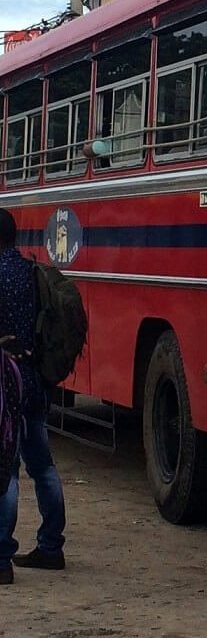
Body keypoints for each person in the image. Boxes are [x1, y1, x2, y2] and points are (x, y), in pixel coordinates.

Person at [0, 207, 65, 584]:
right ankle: (51, 546)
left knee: (6, 472)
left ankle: (1, 558)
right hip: (34, 381)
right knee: (42, 465)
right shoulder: (33, 272)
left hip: (5, 385)